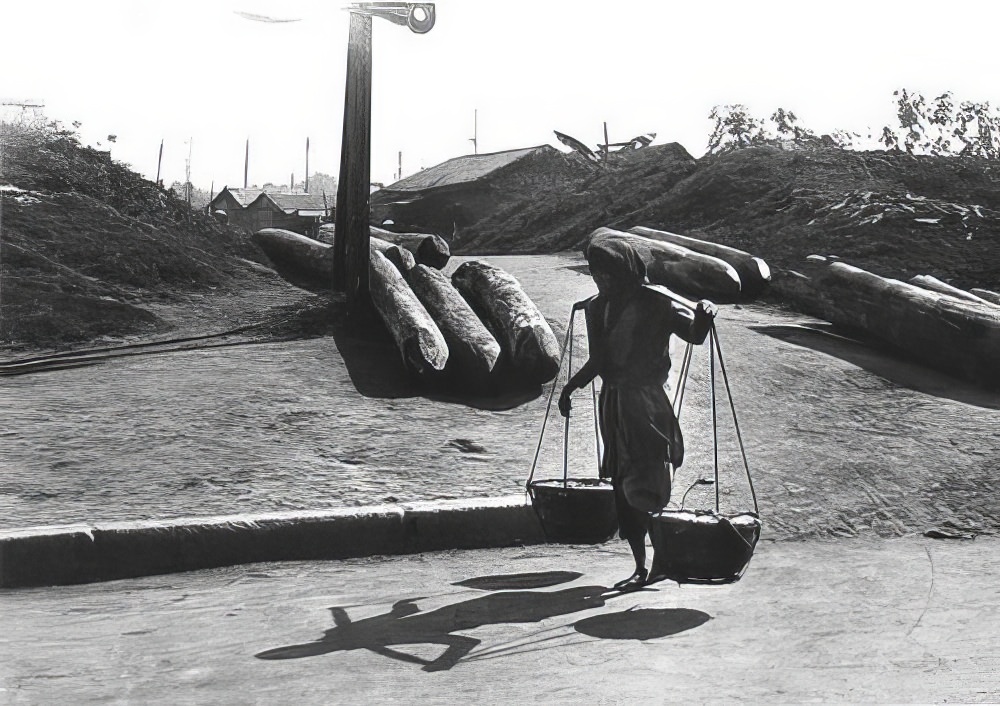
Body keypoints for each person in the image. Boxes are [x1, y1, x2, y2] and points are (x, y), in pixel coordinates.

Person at [558, 237, 717, 590]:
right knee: (621, 483)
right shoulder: (597, 308)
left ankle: (661, 558)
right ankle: (641, 566)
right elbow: (598, 361)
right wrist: (571, 387)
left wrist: (704, 316)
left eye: (608, 275)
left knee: (650, 479)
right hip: (614, 404)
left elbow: (693, 335)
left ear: (626, 271)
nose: (602, 282)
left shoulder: (657, 304)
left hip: (647, 404)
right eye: (596, 275)